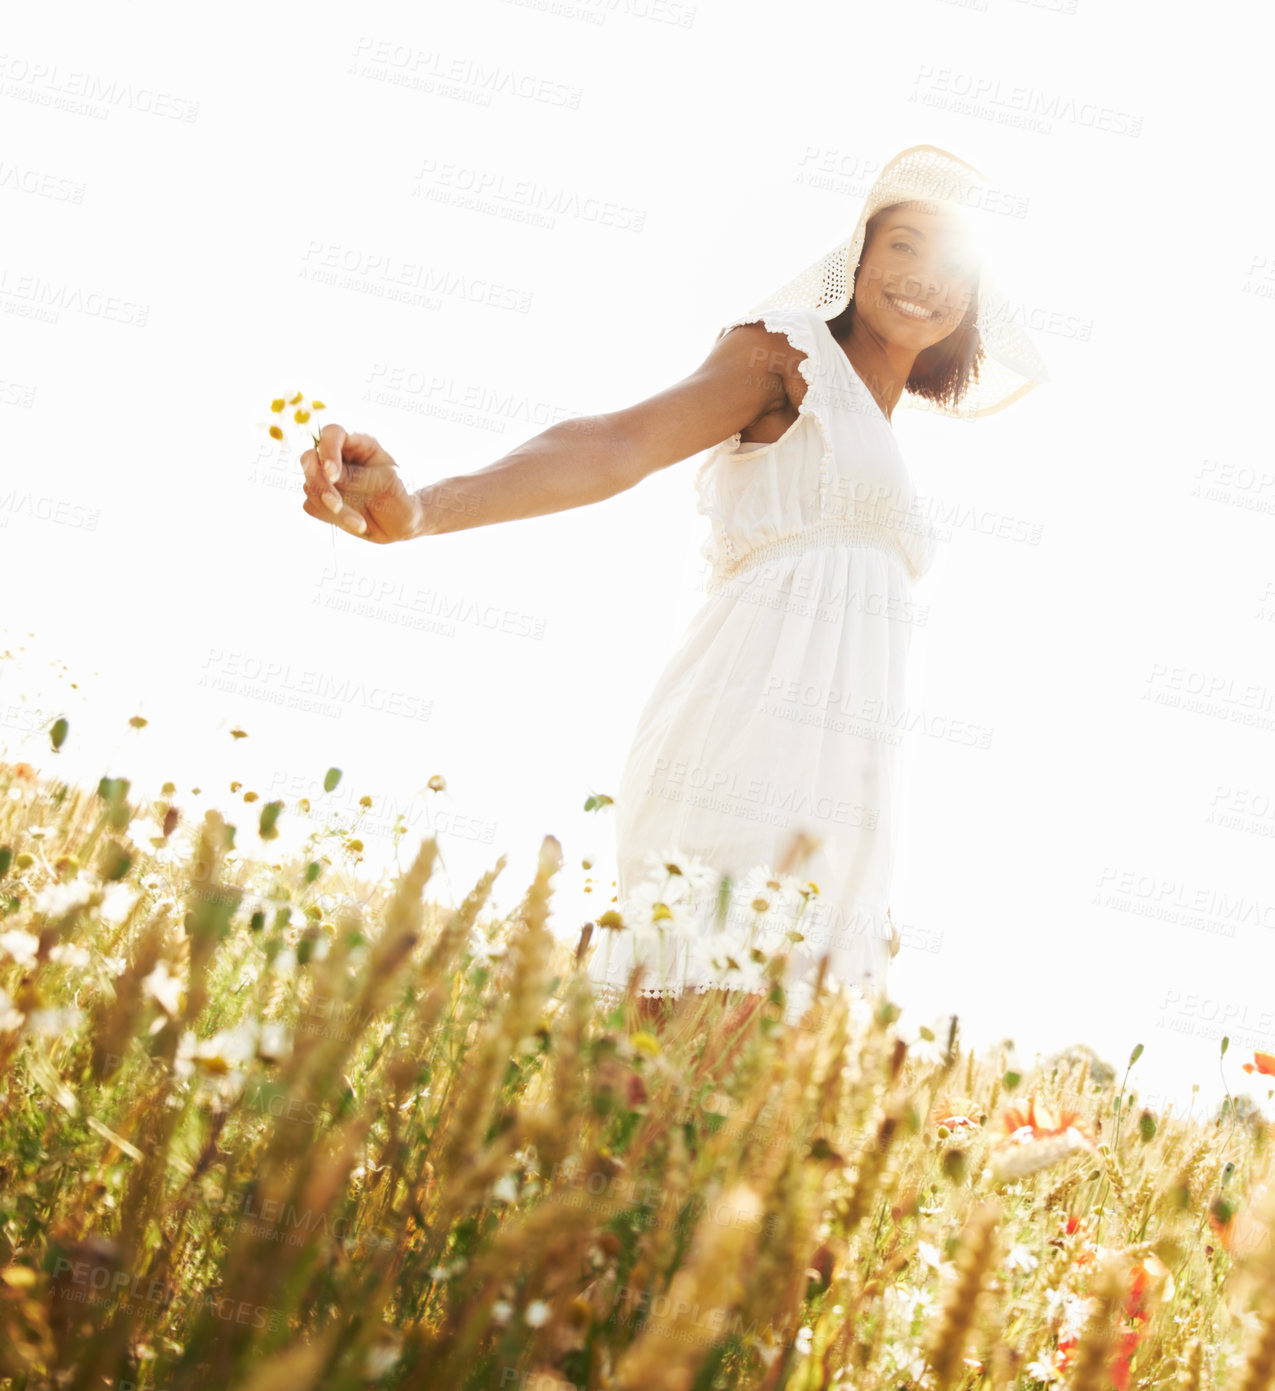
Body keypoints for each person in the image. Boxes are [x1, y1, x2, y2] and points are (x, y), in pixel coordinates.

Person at [298, 144, 1050, 1031]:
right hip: (745, 754)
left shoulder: (877, 435)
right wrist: (422, 507)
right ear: (857, 256)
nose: (924, 276)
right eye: (903, 244)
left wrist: (864, 860)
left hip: (841, 793)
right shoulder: (787, 352)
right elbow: (614, 445)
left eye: (950, 259)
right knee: (691, 1067)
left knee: (740, 1124)